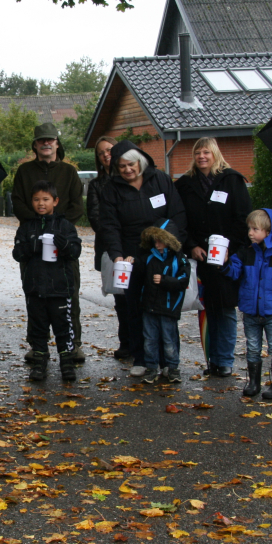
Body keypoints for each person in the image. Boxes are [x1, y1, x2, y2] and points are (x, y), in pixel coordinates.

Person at [98, 141, 187, 377]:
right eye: (122, 166)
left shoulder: (160, 180)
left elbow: (177, 213)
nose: (128, 169)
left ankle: (168, 361)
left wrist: (172, 245)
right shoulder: (111, 189)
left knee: (164, 309)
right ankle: (141, 358)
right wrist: (117, 255)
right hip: (131, 255)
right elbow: (109, 225)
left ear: (140, 162)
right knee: (135, 308)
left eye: (131, 164)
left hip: (161, 252)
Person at [174, 137, 252, 378]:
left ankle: (225, 360)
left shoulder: (232, 180)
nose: (202, 156)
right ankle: (211, 359)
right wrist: (191, 246)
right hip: (199, 257)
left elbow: (243, 218)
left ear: (215, 154)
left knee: (225, 309)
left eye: (206, 152)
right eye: (198, 152)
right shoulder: (185, 184)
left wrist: (230, 248)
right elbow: (179, 220)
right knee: (206, 309)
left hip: (225, 258)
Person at [11, 123, 85, 362]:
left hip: (62, 243)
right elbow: (17, 202)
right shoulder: (24, 172)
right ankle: (37, 345)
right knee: (34, 295)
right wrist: (37, 225)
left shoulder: (69, 172)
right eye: (41, 140)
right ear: (35, 145)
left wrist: (58, 227)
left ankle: (73, 344)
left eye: (50, 140)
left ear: (56, 143)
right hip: (32, 242)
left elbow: (77, 205)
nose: (46, 143)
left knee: (69, 294)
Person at [224, 209, 272, 398]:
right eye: (249, 228)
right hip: (250, 310)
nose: (250, 233)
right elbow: (234, 272)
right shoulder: (245, 253)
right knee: (252, 347)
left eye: (255, 229)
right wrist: (225, 263)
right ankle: (253, 383)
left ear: (268, 231)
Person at [12, 181, 82, 382]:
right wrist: (31, 247)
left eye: (45, 199)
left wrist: (65, 245)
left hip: (60, 288)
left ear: (55, 201)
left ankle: (66, 363)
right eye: (36, 200)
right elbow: (17, 254)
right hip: (35, 288)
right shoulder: (27, 228)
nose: (41, 203)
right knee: (38, 328)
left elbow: (75, 252)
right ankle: (39, 362)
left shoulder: (65, 226)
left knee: (63, 328)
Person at [87, 136, 129, 359]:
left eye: (109, 150)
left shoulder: (130, 178)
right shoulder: (96, 185)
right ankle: (126, 342)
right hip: (111, 248)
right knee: (120, 298)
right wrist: (115, 241)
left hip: (133, 245)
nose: (106, 155)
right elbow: (96, 217)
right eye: (101, 152)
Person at [137, 224, 189, 385]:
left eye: (160, 240)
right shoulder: (149, 257)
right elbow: (139, 272)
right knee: (149, 339)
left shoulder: (179, 259)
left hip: (168, 307)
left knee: (169, 340)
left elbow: (184, 280)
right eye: (155, 240)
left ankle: (172, 367)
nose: (157, 244)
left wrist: (165, 280)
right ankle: (151, 367)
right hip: (149, 306)